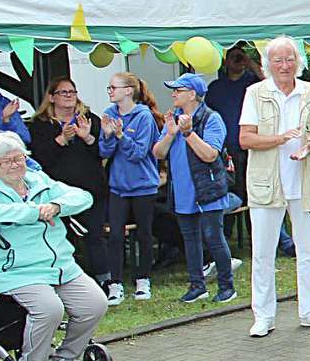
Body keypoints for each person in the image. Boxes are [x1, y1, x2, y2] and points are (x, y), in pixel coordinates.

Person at [0, 131, 108, 361]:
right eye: (6, 161)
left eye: (18, 158)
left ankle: (65, 357)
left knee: (95, 303)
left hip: (58, 264)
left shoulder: (38, 179)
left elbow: (83, 197)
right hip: (14, 269)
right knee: (49, 309)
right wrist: (34, 211)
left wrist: (56, 206)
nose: (14, 165)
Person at [238, 37, 310, 334]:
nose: (284, 65)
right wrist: (280, 139)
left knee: (309, 252)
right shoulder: (255, 93)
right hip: (266, 184)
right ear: (268, 64)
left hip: (304, 182)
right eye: (278, 60)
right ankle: (263, 315)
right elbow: (245, 138)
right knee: (263, 253)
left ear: (297, 62)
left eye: (289, 59)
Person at [152, 74, 236, 305]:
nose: (173, 94)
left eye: (178, 90)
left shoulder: (211, 118)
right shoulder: (174, 118)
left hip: (208, 188)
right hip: (183, 190)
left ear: (192, 94)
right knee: (189, 239)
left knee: (213, 238)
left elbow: (210, 154)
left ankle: (227, 286)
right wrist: (170, 133)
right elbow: (158, 153)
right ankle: (197, 286)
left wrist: (188, 133)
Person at [28, 77, 109, 287]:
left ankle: (104, 280)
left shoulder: (89, 119)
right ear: (51, 97)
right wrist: (62, 139)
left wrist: (87, 137)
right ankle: (67, 281)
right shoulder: (40, 125)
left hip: (92, 189)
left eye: (72, 92)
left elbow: (103, 152)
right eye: (63, 92)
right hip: (58, 193)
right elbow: (39, 159)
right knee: (62, 238)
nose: (69, 96)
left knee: (95, 235)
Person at [99, 71, 161, 305]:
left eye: (113, 87)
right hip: (118, 186)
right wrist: (108, 136)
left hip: (143, 185)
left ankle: (143, 280)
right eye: (109, 88)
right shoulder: (109, 113)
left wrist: (121, 135)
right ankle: (115, 284)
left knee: (144, 233)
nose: (110, 91)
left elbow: (138, 152)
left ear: (128, 91)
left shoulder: (144, 116)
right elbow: (104, 152)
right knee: (115, 235)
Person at [209, 43, 261, 198]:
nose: (238, 60)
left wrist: (249, 62)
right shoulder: (216, 87)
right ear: (225, 62)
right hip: (224, 147)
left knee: (252, 189)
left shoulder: (254, 84)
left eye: (240, 57)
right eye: (234, 57)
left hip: (251, 145)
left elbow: (272, 82)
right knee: (230, 189)